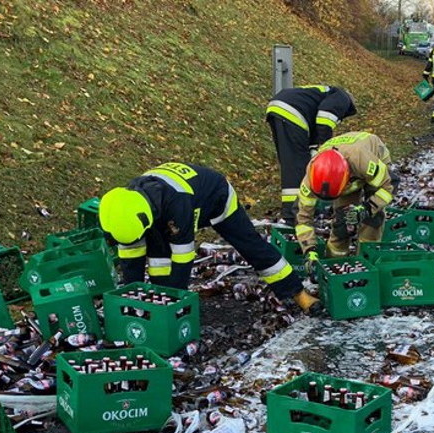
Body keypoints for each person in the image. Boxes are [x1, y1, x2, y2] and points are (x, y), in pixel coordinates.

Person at [98, 162, 320, 312]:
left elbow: (183, 260)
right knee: (159, 262)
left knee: (251, 245)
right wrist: (133, 300)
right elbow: (131, 257)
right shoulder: (125, 207)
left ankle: (298, 293)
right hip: (163, 209)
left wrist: (175, 302)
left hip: (215, 197)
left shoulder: (178, 204)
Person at [294, 132, 399, 274]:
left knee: (372, 219)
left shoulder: (363, 161)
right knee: (342, 221)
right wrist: (309, 250)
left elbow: (389, 186)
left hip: (374, 157)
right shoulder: (311, 177)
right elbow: (303, 218)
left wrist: (366, 209)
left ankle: (367, 262)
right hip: (346, 173)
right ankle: (333, 263)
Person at [266, 85, 358, 226]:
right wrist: (326, 147)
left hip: (279, 108)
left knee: (291, 164)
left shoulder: (323, 94)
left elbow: (316, 124)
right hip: (293, 112)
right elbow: (325, 119)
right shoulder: (342, 97)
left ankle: (292, 212)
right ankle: (294, 214)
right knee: (298, 166)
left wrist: (315, 149)